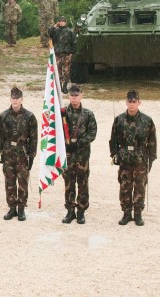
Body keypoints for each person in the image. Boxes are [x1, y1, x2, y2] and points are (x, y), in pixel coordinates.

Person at [109, 90, 157, 226]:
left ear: (139, 103)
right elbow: (113, 140)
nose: (131, 104)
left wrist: (151, 159)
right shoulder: (119, 120)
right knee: (125, 186)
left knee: (140, 187)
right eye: (129, 101)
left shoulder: (147, 121)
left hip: (140, 159)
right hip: (125, 159)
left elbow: (152, 141)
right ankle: (126, 213)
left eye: (134, 102)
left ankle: (138, 214)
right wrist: (114, 154)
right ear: (126, 102)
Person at [0, 87, 38, 221]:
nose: (15, 100)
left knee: (23, 181)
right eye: (13, 98)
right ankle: (12, 207)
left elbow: (34, 138)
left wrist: (31, 155)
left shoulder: (29, 117)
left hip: (22, 153)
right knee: (9, 181)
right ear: (10, 99)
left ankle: (21, 208)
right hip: (8, 152)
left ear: (22, 99)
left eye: (17, 98)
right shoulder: (3, 116)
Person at [61, 85, 97, 225]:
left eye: (76, 95)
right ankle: (70, 211)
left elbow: (92, 132)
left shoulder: (88, 114)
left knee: (82, 183)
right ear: (68, 96)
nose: (74, 97)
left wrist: (79, 143)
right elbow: (56, 131)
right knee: (68, 183)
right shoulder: (63, 113)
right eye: (72, 95)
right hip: (68, 155)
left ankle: (81, 212)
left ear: (81, 95)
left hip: (82, 155)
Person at [47, 16, 76, 93]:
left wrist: (72, 53)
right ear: (58, 22)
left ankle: (65, 86)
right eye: (60, 21)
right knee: (57, 71)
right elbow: (49, 33)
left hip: (67, 54)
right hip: (57, 54)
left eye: (63, 21)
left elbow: (74, 42)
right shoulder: (55, 31)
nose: (62, 22)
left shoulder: (70, 31)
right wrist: (54, 26)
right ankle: (59, 86)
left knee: (66, 71)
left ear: (66, 22)